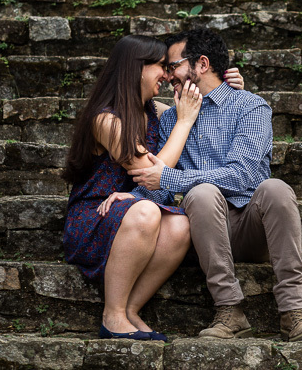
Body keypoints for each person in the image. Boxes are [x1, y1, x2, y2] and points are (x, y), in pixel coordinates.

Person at [128, 28, 302, 342]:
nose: (168, 75)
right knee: (202, 193)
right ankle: (229, 310)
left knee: (275, 188)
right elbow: (158, 187)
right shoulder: (171, 120)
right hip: (203, 229)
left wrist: (170, 177)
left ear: (202, 64)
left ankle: (295, 312)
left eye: (173, 65)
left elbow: (242, 175)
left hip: (252, 225)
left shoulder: (250, 107)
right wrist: (129, 197)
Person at [62, 34, 244, 341]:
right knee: (146, 210)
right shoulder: (105, 119)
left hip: (138, 207)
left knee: (180, 225)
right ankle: (113, 315)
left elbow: (203, 111)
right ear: (136, 68)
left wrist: (230, 89)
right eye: (160, 66)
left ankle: (131, 310)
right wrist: (184, 122)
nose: (168, 74)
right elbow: (150, 173)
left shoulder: (154, 112)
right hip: (96, 216)